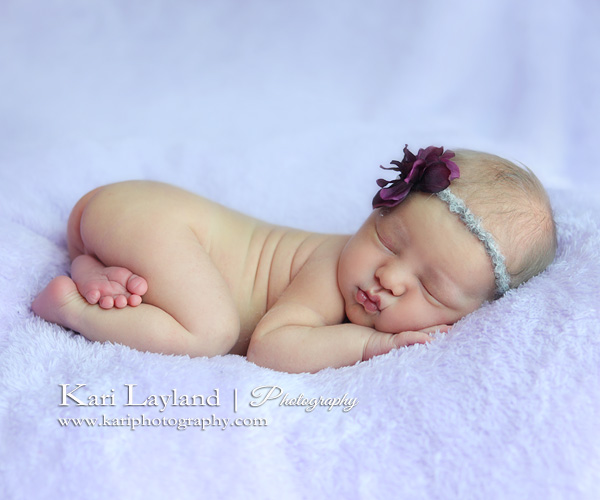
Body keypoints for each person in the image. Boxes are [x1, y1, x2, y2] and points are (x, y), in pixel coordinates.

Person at [32, 146, 557, 373]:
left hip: (126, 223)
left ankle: (95, 266)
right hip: (148, 215)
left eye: (432, 289)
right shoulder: (330, 271)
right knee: (211, 333)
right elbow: (271, 347)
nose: (389, 275)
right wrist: (374, 342)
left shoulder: (366, 275)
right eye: (388, 241)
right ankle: (75, 309)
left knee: (177, 298)